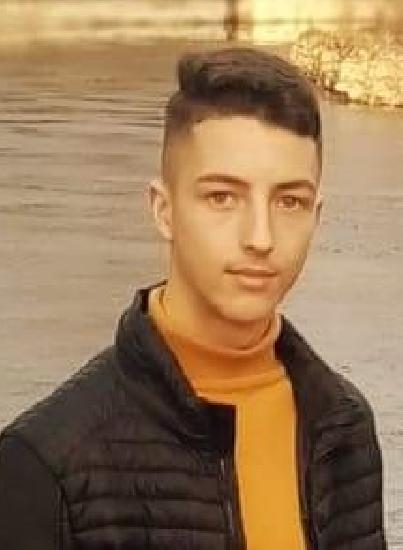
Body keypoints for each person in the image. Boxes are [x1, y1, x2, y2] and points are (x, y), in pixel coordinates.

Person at [0, 46, 387, 550]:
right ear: (164, 211)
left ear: (317, 217)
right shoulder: (44, 467)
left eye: (289, 201)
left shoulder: (343, 428)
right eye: (222, 197)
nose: (261, 237)